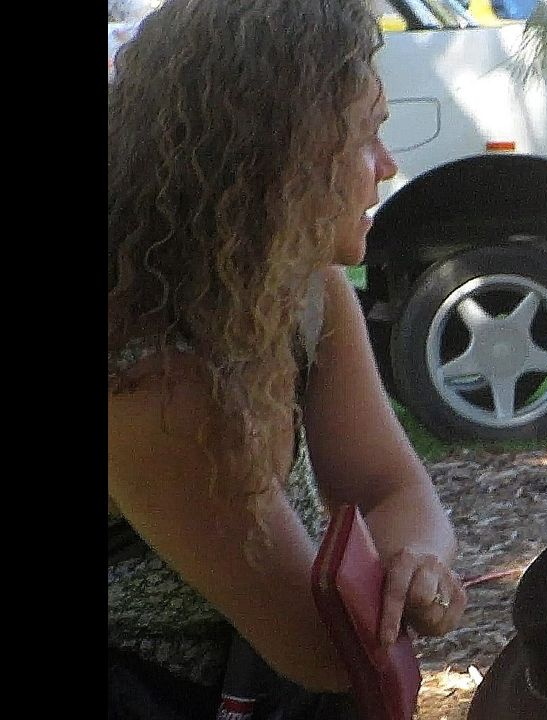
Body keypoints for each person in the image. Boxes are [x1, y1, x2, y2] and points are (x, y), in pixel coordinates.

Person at [107, 0, 465, 716]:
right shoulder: (152, 383)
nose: (389, 166)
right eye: (363, 139)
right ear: (272, 161)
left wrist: (415, 567)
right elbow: (324, 651)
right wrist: (400, 601)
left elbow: (390, 486)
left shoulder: (305, 290)